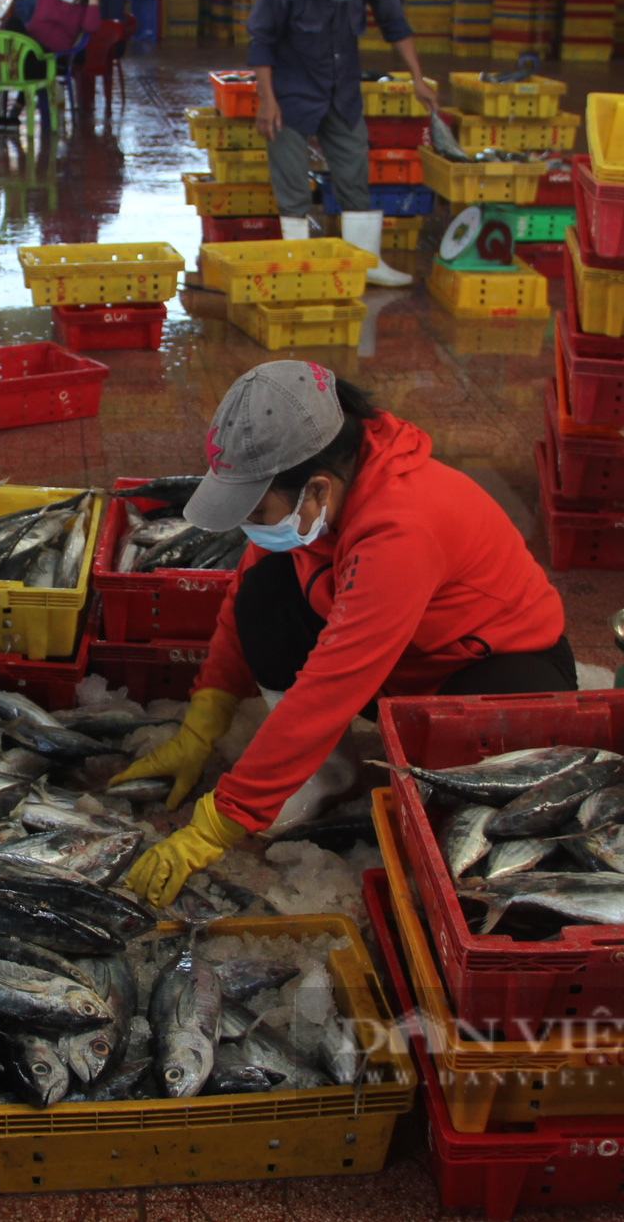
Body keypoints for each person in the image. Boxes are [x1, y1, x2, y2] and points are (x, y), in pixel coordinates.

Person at [113, 363, 573, 908]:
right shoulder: (323, 492)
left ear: (317, 488)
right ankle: (329, 773)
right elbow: (244, 600)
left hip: (492, 666)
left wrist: (221, 821)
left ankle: (349, 766)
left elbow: (331, 686)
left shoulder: (401, 529)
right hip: (399, 656)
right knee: (263, 591)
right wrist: (202, 721)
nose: (250, 526)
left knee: (463, 799)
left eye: (257, 510)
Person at [248, 0, 440, 288]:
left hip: (342, 87)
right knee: (291, 178)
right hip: (291, 90)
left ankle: (365, 263)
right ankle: (298, 264)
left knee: (354, 169)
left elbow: (394, 25)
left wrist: (418, 78)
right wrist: (267, 99)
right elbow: (262, 41)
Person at [0, 0, 101, 128]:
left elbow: (92, 26)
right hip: (25, 52)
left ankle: (13, 115)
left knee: (34, 56)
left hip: (48, 60)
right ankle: (4, 113)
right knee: (12, 23)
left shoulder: (81, 10)